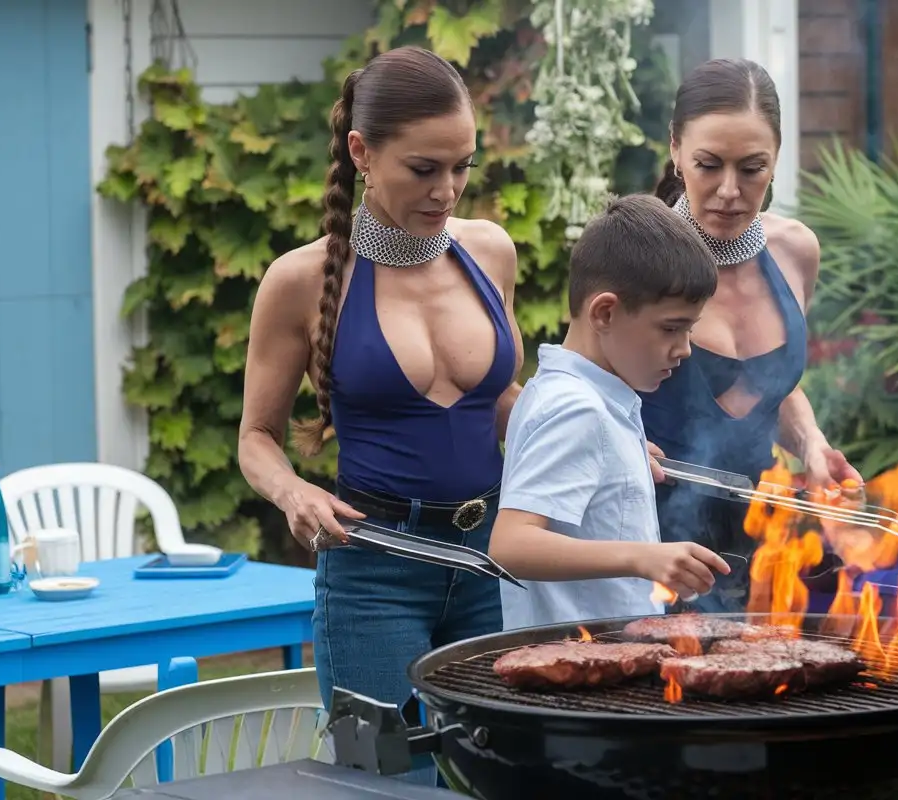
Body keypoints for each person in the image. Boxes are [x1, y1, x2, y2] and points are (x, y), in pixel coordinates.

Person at [236, 45, 523, 770]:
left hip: (493, 555)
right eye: (424, 169)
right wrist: (292, 489)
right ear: (362, 151)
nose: (448, 190)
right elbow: (257, 437)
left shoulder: (489, 253)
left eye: (462, 166)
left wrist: (595, 447)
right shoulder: (298, 281)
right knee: (385, 783)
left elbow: (500, 403)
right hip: (374, 570)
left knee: (517, 773)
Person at [643, 58, 863, 614]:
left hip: (764, 543)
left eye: (752, 168)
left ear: (777, 159)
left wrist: (812, 444)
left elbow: (771, 384)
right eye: (708, 165)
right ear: (675, 148)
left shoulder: (795, 251)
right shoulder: (633, 259)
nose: (729, 191)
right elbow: (576, 394)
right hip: (652, 544)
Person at [488, 194, 731, 629]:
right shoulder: (577, 409)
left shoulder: (578, 396)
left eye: (689, 329)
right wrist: (644, 557)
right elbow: (511, 545)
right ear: (605, 312)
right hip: (578, 670)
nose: (685, 348)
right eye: (671, 328)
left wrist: (623, 457)